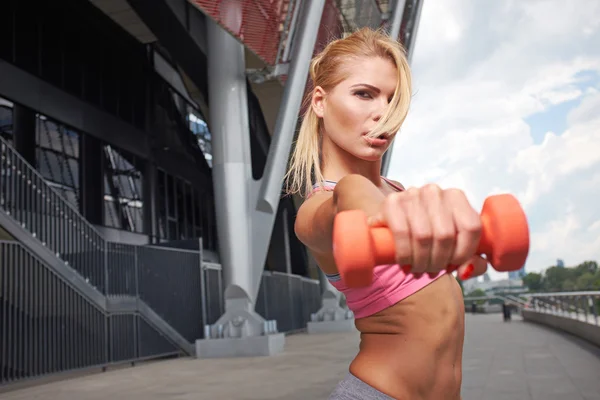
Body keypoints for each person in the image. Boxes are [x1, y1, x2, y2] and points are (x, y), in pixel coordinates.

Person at [285, 28, 487, 400]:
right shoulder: (317, 209)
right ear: (319, 102)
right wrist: (363, 197)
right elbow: (347, 198)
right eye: (364, 94)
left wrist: (467, 250)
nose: (384, 113)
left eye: (393, 99)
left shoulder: (399, 193)